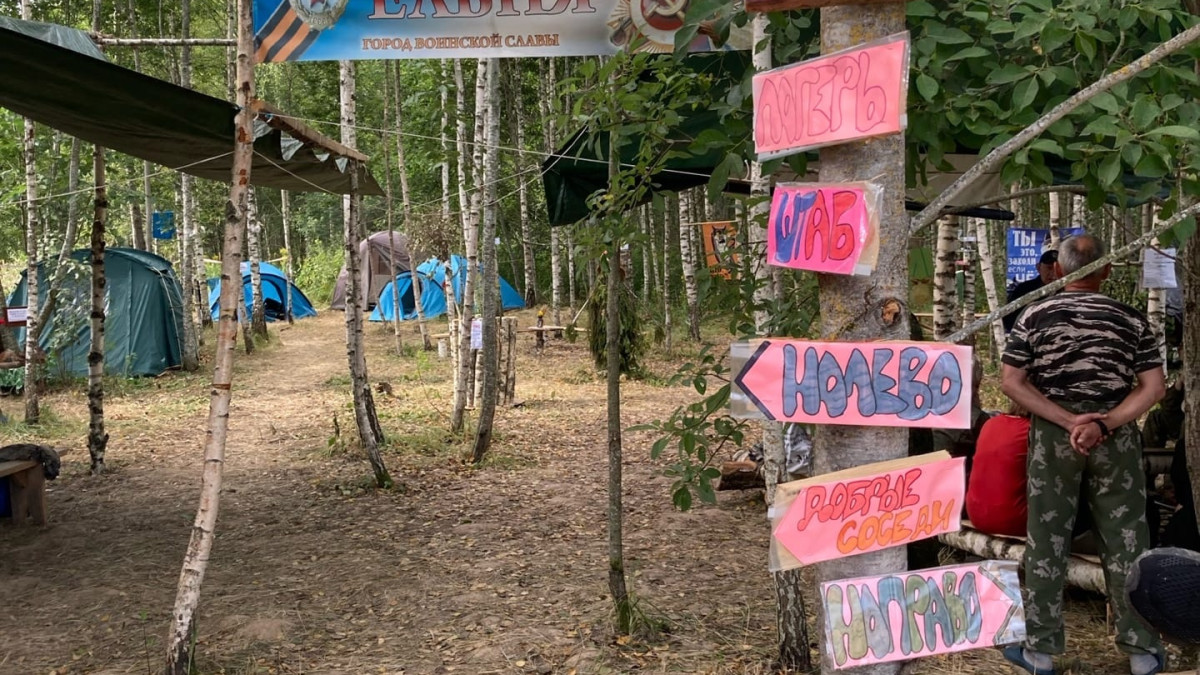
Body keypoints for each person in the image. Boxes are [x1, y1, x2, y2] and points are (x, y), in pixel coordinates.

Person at [1000, 234, 1166, 675]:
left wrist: (1068, 420)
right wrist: (1104, 424)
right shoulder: (1130, 319)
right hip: (1115, 436)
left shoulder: (1034, 315)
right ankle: (1141, 652)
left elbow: (1011, 382)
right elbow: (1154, 388)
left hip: (1054, 436)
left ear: (1058, 270)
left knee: (1046, 536)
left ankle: (1040, 650)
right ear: (1106, 270)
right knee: (1126, 538)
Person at [1004, 250, 1060, 332]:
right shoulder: (1024, 289)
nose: (1053, 273)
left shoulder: (1068, 289)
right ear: (1038, 268)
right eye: (1049, 268)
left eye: (1057, 268)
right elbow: (1009, 320)